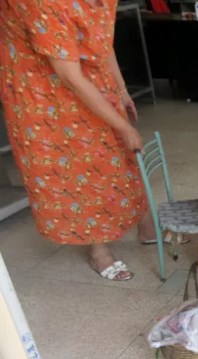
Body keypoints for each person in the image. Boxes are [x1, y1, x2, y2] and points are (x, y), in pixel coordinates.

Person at [0, 0, 162, 281]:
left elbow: (101, 39)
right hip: (45, 92)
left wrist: (121, 90)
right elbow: (68, 75)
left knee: (121, 154)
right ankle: (98, 250)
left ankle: (146, 225)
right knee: (83, 167)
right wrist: (123, 126)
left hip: (90, 79)